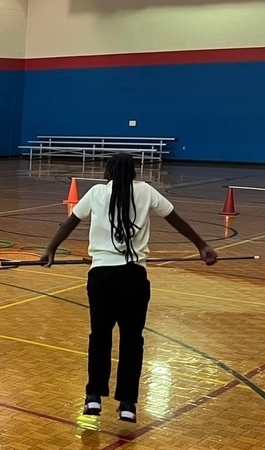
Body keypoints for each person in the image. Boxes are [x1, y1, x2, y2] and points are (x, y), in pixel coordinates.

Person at [41, 153, 217, 422]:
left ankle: (93, 398)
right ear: (133, 172)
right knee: (132, 341)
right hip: (134, 277)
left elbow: (69, 222)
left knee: (99, 337)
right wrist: (202, 245)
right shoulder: (146, 192)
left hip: (101, 278)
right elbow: (176, 219)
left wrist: (50, 249)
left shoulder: (97, 193)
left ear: (108, 172)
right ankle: (127, 403)